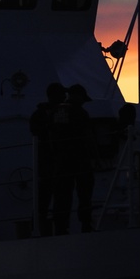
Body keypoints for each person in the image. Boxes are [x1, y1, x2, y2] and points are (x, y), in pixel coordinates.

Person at [49, 84, 95, 233]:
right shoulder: (80, 113)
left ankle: (61, 227)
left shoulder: (55, 111)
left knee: (62, 195)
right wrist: (94, 157)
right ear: (78, 97)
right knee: (84, 193)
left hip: (60, 159)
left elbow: (50, 134)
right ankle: (86, 225)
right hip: (80, 158)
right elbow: (87, 137)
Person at [29, 82, 66, 235]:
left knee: (61, 198)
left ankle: (59, 228)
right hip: (47, 162)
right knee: (44, 199)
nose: (64, 97)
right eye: (61, 94)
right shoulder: (39, 115)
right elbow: (35, 131)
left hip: (60, 162)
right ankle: (38, 228)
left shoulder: (63, 112)